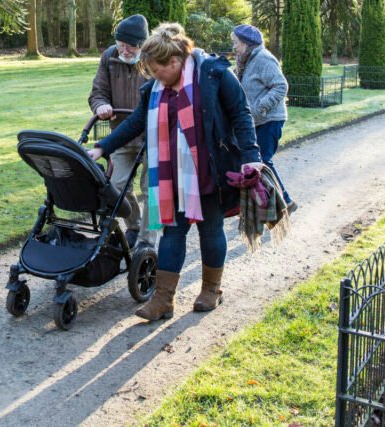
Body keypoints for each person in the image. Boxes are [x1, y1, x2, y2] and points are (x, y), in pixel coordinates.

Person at [89, 23, 263, 321]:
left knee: (210, 231)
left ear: (175, 62)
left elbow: (241, 114)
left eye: (158, 70)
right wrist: (103, 147)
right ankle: (163, 300)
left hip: (208, 171)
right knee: (172, 233)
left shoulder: (215, 75)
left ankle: (211, 290)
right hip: (172, 176)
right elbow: (135, 123)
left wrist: (251, 156)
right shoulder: (155, 89)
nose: (155, 77)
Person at [88, 14, 154, 249]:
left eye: (131, 46)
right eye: (121, 45)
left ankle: (149, 240)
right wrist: (101, 105)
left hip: (152, 137)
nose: (125, 51)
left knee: (152, 191)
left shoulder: (153, 59)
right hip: (120, 135)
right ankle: (134, 227)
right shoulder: (109, 57)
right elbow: (97, 92)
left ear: (142, 44)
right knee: (116, 186)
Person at [231, 24, 297, 213]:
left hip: (270, 119)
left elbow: (281, 86)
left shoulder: (263, 59)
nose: (234, 47)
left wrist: (259, 108)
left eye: (236, 43)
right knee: (254, 162)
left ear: (246, 43)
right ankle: (261, 203)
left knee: (263, 162)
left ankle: (284, 201)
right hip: (257, 120)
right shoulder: (246, 60)